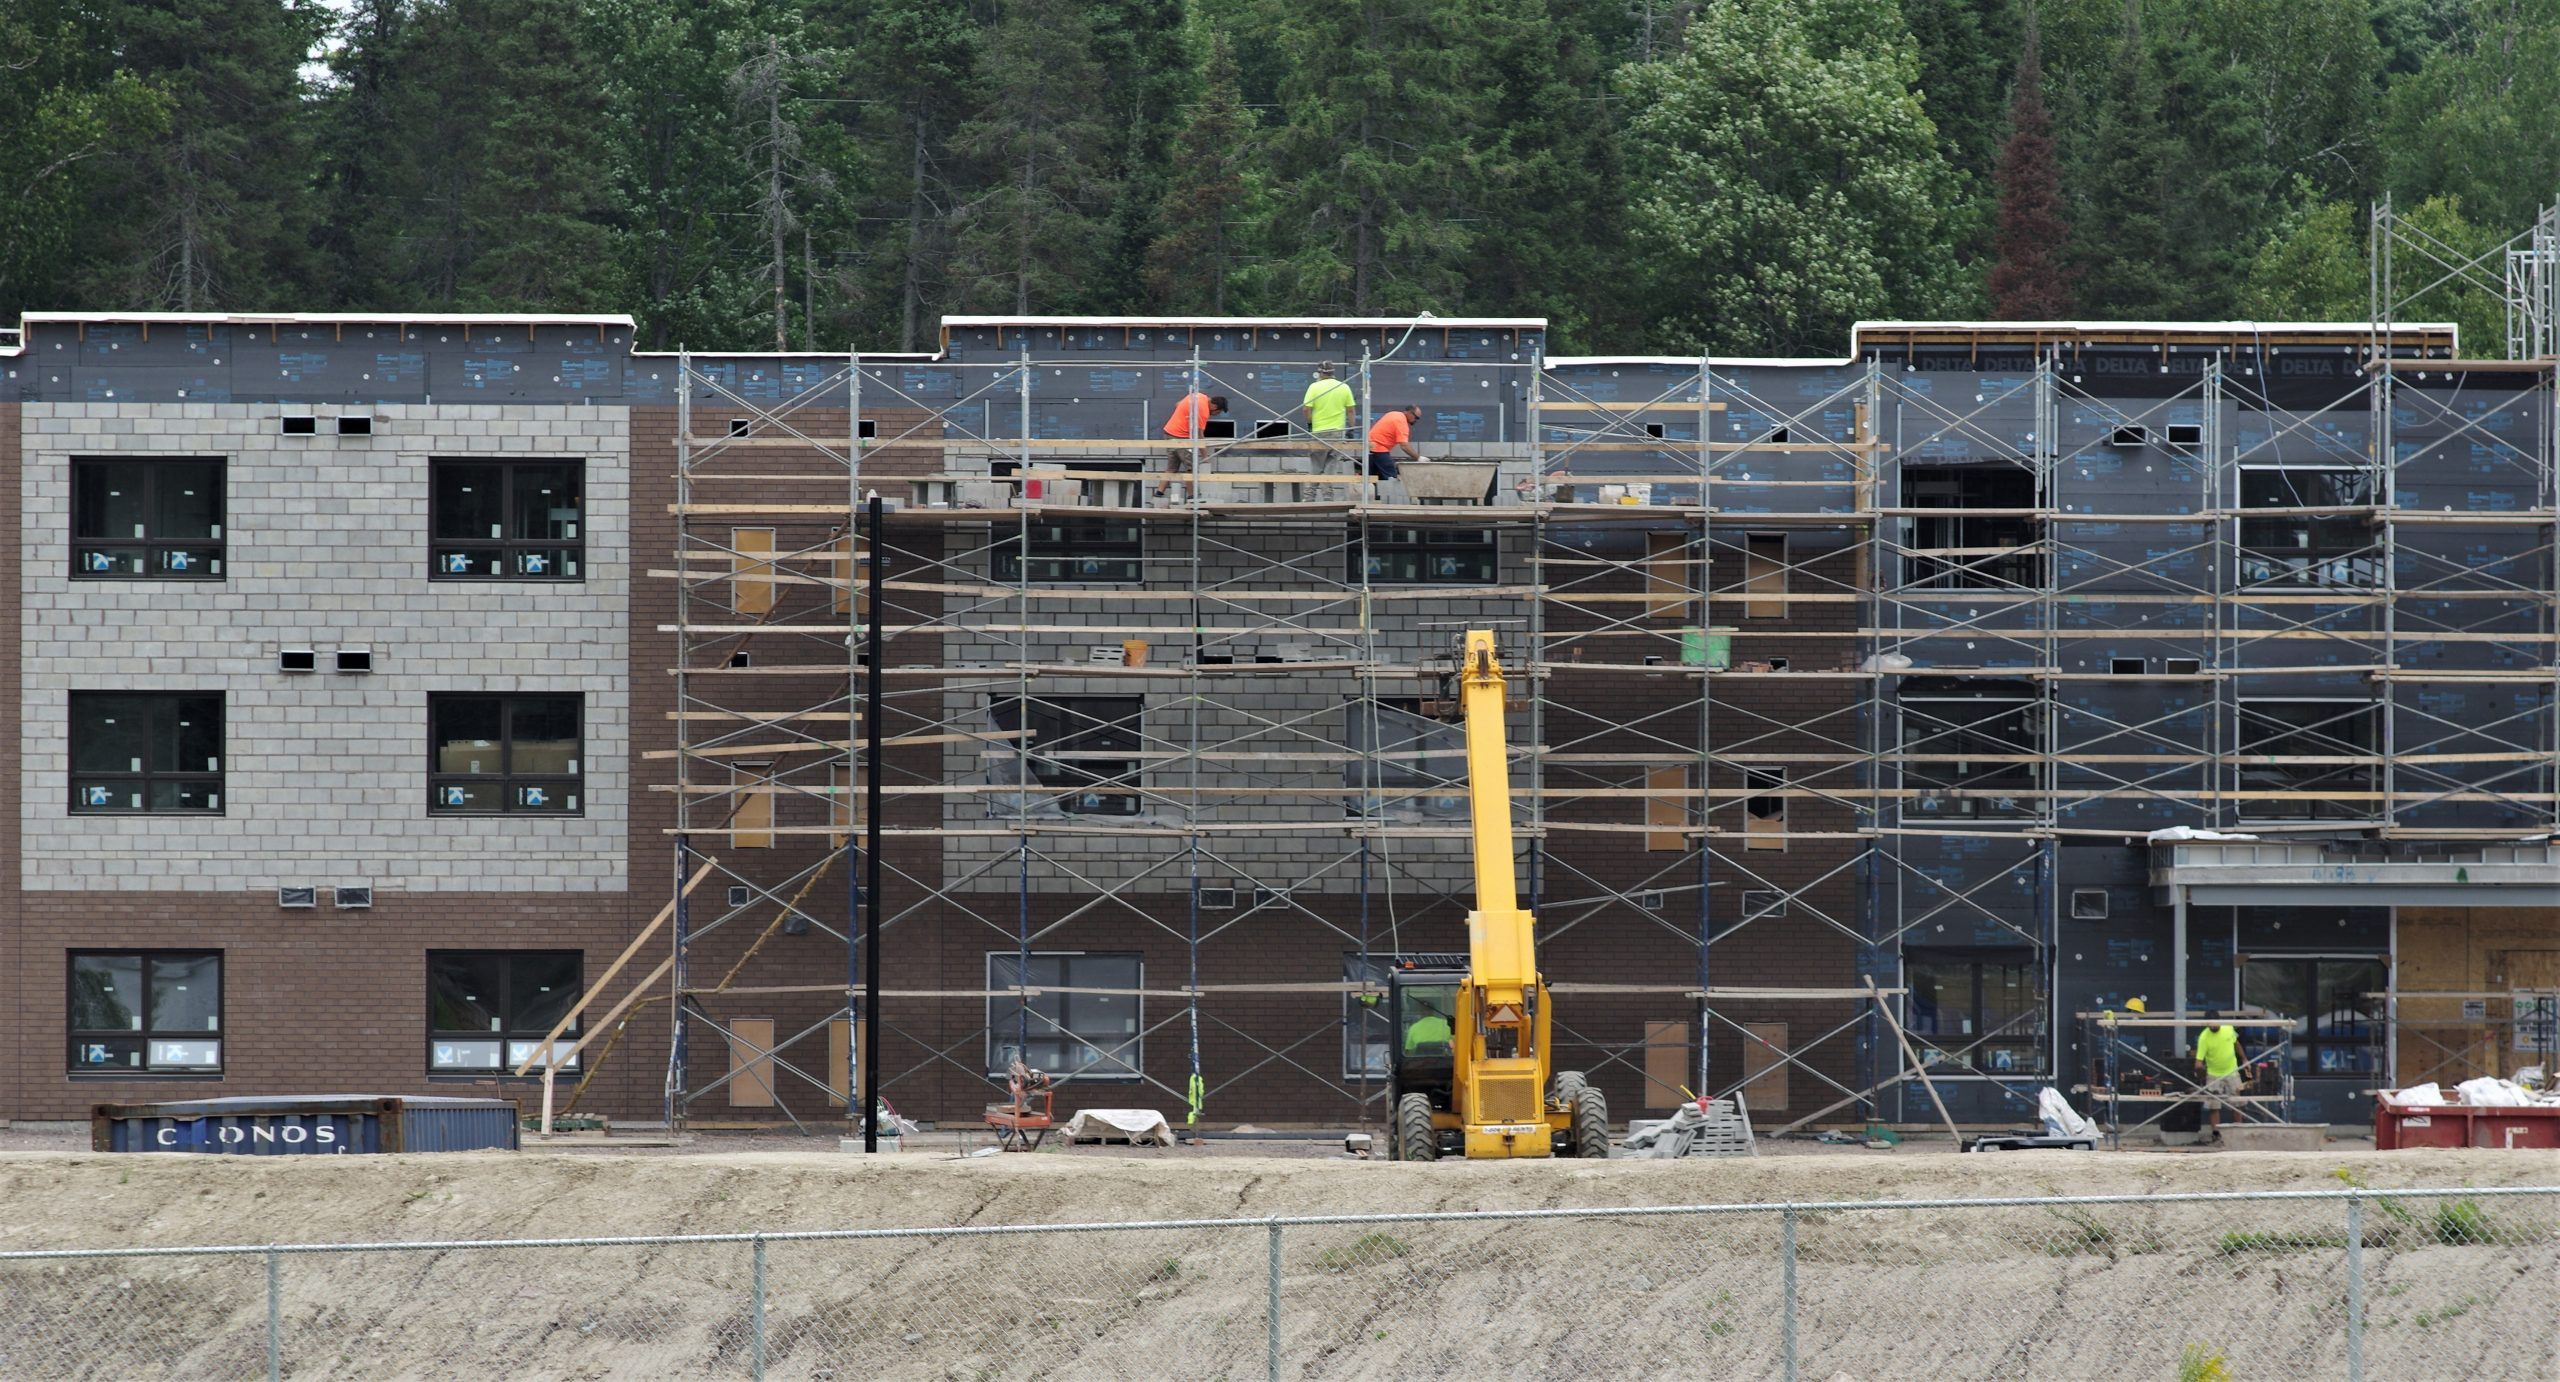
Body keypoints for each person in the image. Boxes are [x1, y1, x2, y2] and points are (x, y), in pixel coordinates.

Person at [2193, 1010, 2242, 1142]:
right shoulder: (2204, 1037)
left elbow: (2236, 1044)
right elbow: (2198, 1062)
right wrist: (2200, 1071)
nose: (2213, 1027)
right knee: (2213, 1105)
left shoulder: (2228, 1028)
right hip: (2213, 1074)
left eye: (2215, 1024)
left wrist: (2245, 1059)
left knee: (2237, 1103)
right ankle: (2216, 1134)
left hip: (2232, 1071)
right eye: (2210, 1025)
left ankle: (2238, 1133)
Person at [1366, 404, 1426, 481]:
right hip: (1378, 448)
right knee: (1391, 477)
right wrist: (1418, 458)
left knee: (1374, 477)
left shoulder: (1394, 414)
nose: (1415, 420)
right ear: (1410, 413)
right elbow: (1404, 446)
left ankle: (1375, 492)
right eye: (1416, 417)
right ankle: (1390, 492)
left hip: (1369, 447)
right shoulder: (1401, 422)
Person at [1298, 362, 1356, 438]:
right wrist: (1351, 429)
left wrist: (1310, 424)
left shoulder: (1313, 387)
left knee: (1319, 449)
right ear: (1333, 373)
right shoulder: (1344, 387)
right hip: (1337, 431)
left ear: (1320, 373)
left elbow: (1306, 409)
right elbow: (1350, 411)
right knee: (1337, 450)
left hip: (1318, 431)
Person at [1161, 391, 1228, 440]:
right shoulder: (1204, 411)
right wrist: (1205, 456)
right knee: (1189, 459)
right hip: (1180, 436)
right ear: (1215, 407)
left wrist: (1187, 416)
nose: (1216, 414)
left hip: (1168, 433)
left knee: (1174, 459)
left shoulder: (1198, 395)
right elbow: (1199, 435)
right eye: (1218, 412)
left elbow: (1177, 404)